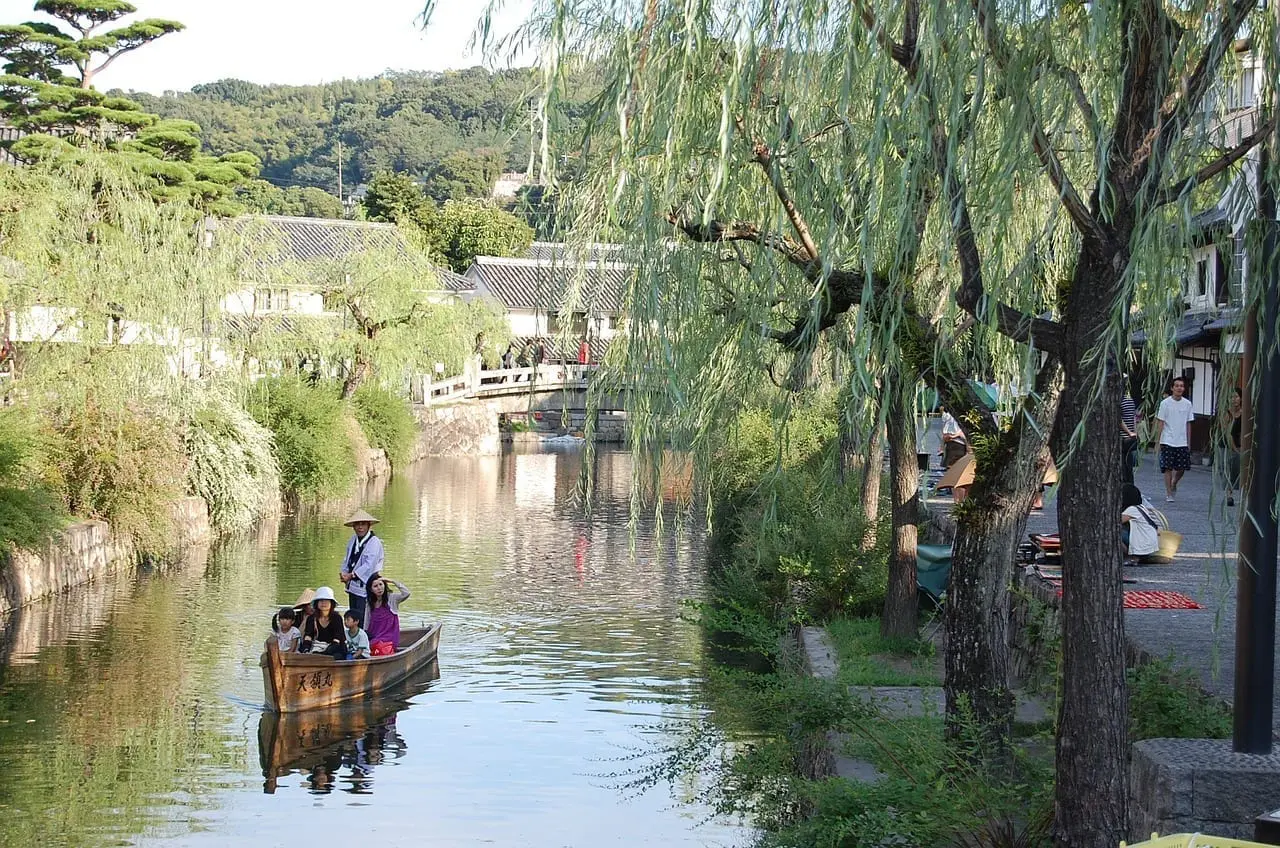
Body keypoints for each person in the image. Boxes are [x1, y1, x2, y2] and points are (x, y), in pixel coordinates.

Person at [339, 509, 383, 623]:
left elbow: (369, 565)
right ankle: (354, 637)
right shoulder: (353, 540)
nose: (360, 527)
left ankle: (365, 638)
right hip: (353, 585)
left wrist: (352, 575)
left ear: (368, 525)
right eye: (357, 524)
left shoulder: (374, 542)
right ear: (353, 526)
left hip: (367, 584)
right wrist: (344, 574)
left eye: (363, 524)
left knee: (364, 617)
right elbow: (347, 559)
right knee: (354, 616)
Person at [1155, 377, 1195, 502]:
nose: (1179, 388)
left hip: (1181, 440)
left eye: (1181, 386)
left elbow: (1188, 423)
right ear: (1172, 388)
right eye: (1176, 386)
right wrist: (1158, 441)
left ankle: (1174, 482)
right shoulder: (1165, 403)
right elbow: (1161, 422)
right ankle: (1168, 493)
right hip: (1167, 439)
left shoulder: (1187, 404)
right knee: (1168, 467)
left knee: (1182, 468)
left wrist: (1188, 441)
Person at [364, 574, 411, 655]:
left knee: (376, 646)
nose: (379, 588)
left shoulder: (392, 598)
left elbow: (406, 593)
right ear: (371, 589)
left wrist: (392, 581)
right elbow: (366, 622)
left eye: (381, 584)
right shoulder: (369, 603)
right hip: (374, 636)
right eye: (375, 586)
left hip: (389, 638)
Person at [301, 586, 346, 657]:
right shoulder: (311, 618)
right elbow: (308, 636)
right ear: (317, 603)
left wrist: (324, 653)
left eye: (327, 600)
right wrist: (306, 650)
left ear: (332, 603)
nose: (323, 603)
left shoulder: (337, 618)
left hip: (335, 648)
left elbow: (337, 639)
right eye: (321, 600)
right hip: (316, 647)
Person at [1120, 484, 1160, 562]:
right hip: (1149, 546)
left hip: (1142, 547)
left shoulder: (1132, 510)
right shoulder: (1141, 507)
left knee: (1112, 532)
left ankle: (1130, 557)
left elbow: (1114, 522)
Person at [1223, 387, 1242, 507]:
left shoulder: (1245, 412)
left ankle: (1243, 495)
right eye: (1231, 397)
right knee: (1228, 470)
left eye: (1236, 397)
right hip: (1227, 445)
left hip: (1241, 445)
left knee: (1240, 470)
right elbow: (1227, 433)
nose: (1234, 399)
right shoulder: (1226, 413)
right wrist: (1234, 448)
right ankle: (1229, 495)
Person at [1121, 385, 1139, 485]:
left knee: (1124, 464)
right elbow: (1134, 417)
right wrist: (1134, 432)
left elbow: (1119, 419)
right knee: (1128, 464)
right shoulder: (1130, 399)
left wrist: (1129, 432)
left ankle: (1126, 486)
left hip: (1123, 437)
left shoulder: (1119, 400)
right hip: (1130, 437)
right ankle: (1130, 484)